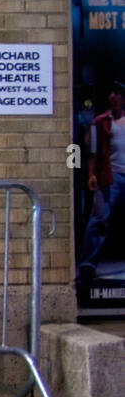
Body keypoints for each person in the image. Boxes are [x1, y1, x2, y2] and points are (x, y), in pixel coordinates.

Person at [80, 82, 125, 283]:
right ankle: (88, 263)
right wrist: (92, 175)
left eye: (117, 94)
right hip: (111, 175)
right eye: (111, 93)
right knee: (99, 218)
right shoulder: (100, 121)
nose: (113, 97)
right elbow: (93, 151)